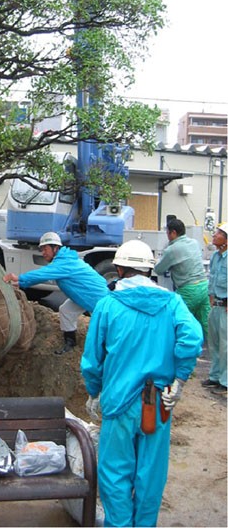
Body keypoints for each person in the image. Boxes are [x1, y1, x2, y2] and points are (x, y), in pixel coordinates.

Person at [81, 239, 203, 527]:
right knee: (151, 473)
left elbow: (92, 359)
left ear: (119, 269)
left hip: (118, 403)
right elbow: (192, 339)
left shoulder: (108, 305)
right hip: (158, 403)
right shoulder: (172, 302)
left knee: (115, 472)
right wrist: (180, 380)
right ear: (149, 270)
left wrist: (94, 391)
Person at [3, 231, 108, 354]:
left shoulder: (64, 262)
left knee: (102, 327)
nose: (43, 252)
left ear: (55, 248)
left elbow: (42, 274)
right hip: (82, 295)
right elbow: (44, 275)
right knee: (66, 310)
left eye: (45, 249)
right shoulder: (64, 259)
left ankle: (103, 352)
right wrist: (21, 283)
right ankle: (70, 342)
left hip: (95, 297)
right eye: (41, 249)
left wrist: (19, 278)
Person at [154, 218, 210, 339]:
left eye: (168, 233)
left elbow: (158, 270)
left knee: (180, 322)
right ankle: (213, 349)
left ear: (173, 233)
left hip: (188, 290)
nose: (167, 237)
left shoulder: (172, 249)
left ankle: (183, 348)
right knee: (206, 324)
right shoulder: (194, 243)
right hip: (204, 286)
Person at [202, 223, 227, 396]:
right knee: (214, 342)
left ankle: (225, 381)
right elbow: (212, 279)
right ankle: (215, 376)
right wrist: (211, 296)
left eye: (218, 233)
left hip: (225, 307)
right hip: (216, 305)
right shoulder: (215, 257)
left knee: (226, 345)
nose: (214, 235)